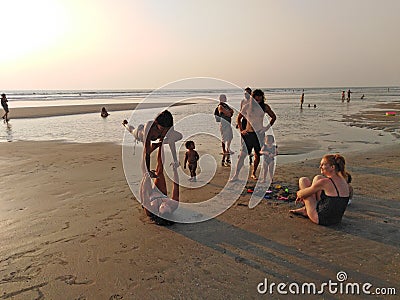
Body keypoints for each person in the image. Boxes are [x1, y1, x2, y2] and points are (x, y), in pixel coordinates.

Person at [289, 154, 351, 225]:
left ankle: (306, 209)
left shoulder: (325, 183)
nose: (320, 167)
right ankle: (306, 208)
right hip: (337, 219)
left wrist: (301, 194)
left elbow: (300, 194)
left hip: (320, 219)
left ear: (332, 167)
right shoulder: (343, 180)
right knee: (318, 178)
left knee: (303, 180)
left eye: (322, 165)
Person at [230, 89, 277, 181]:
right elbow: (238, 118)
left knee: (257, 155)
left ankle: (253, 173)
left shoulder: (265, 107)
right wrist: (241, 130)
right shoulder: (247, 106)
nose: (258, 98)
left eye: (260, 96)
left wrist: (266, 128)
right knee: (243, 155)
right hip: (248, 134)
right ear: (253, 97)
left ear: (262, 97)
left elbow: (274, 117)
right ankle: (236, 175)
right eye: (256, 96)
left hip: (259, 134)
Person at [125, 110, 182, 178]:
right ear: (156, 123)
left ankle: (157, 144)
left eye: (167, 130)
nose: (165, 132)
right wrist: (148, 171)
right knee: (132, 130)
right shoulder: (150, 127)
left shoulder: (169, 126)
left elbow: (172, 142)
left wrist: (175, 160)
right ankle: (125, 124)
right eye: (162, 129)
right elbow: (147, 152)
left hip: (156, 139)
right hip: (140, 133)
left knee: (178, 136)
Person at [140, 144, 179, 226]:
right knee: (160, 170)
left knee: (145, 171)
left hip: (148, 195)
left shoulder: (150, 210)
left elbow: (144, 193)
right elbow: (176, 186)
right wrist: (175, 170)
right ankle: (161, 143)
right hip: (161, 193)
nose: (165, 204)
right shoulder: (174, 205)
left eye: (162, 207)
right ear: (171, 210)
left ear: (158, 212)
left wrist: (147, 177)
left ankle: (146, 149)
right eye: (167, 206)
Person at [217, 94, 234, 167]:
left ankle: (228, 148)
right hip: (224, 124)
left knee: (230, 137)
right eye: (224, 98)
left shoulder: (226, 105)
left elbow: (231, 113)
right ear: (221, 99)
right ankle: (224, 150)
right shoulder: (220, 106)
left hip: (228, 123)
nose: (226, 98)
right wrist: (229, 112)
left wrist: (230, 112)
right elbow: (229, 114)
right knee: (224, 138)